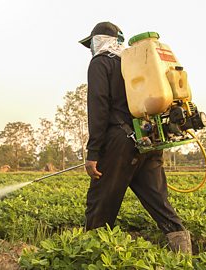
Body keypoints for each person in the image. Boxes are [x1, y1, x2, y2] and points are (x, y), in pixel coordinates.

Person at [78, 21, 192, 254]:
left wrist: (93, 153)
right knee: (159, 202)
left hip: (119, 144)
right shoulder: (136, 65)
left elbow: (98, 108)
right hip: (148, 140)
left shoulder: (101, 63)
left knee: (100, 203)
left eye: (92, 43)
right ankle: (184, 254)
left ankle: (90, 255)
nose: (91, 48)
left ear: (98, 41)